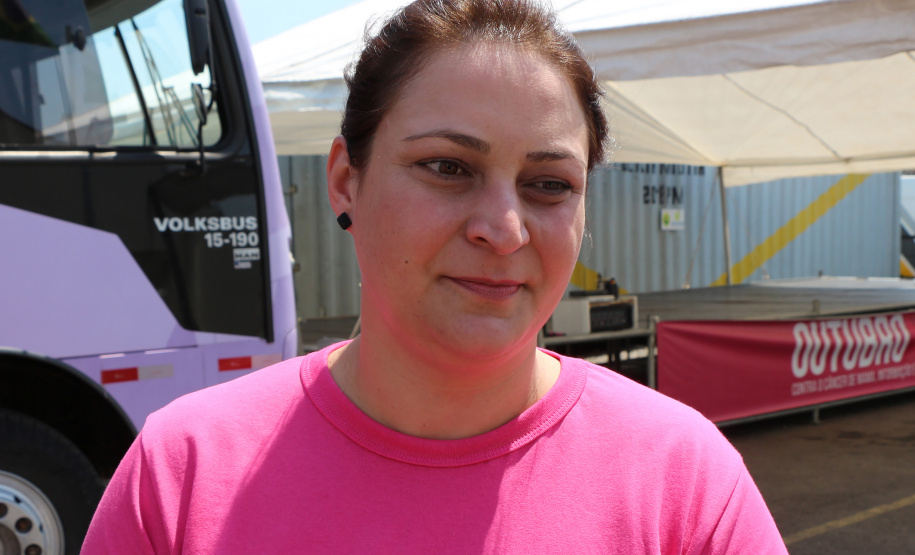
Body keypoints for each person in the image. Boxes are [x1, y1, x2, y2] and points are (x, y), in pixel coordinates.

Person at [82, 0, 788, 552]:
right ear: (343, 181)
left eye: (548, 183)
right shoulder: (181, 476)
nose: (503, 227)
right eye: (448, 167)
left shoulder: (683, 480)